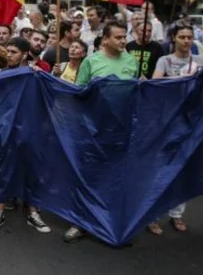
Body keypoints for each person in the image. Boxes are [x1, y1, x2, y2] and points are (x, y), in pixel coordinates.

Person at [65, 21, 139, 243]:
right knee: (88, 176)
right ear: (105, 39)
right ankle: (80, 222)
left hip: (121, 131)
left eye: (124, 36)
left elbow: (138, 93)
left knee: (116, 178)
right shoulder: (91, 61)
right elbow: (78, 94)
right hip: (93, 131)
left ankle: (111, 224)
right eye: (118, 37)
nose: (123, 41)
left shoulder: (131, 62)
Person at [146, 23, 203, 236]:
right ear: (174, 39)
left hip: (190, 122)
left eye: (189, 37)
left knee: (182, 169)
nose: (186, 41)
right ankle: (152, 215)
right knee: (159, 169)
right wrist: (183, 81)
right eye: (182, 37)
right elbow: (156, 83)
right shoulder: (165, 60)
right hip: (167, 122)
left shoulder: (199, 62)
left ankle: (176, 213)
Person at [0, 37, 52, 234]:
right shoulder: (3, 75)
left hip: (32, 132)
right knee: (5, 173)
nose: (9, 55)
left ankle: (33, 213)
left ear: (24, 54)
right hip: (8, 133)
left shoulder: (35, 75)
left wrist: (47, 76)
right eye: (8, 51)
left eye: (14, 52)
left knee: (33, 172)